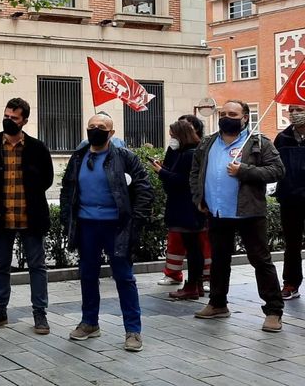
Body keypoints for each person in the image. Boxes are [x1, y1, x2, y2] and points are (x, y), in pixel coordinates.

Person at [60, 113, 153, 352]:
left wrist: (135, 223)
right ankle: (89, 322)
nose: (96, 129)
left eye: (101, 127)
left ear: (111, 133)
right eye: (92, 126)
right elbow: (68, 189)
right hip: (86, 226)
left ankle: (133, 330)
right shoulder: (78, 157)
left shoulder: (126, 157)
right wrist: (66, 220)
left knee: (124, 277)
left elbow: (144, 189)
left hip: (117, 227)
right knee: (87, 275)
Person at [190, 100, 285, 332]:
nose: (226, 117)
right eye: (223, 113)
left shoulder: (258, 142)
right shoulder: (208, 142)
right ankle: (217, 303)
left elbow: (277, 170)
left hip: (248, 212)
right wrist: (198, 196)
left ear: (244, 118)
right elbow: (195, 171)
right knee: (219, 260)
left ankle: (273, 311)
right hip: (217, 211)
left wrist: (244, 170)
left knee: (260, 260)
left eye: (232, 114)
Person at [0, 98, 54, 335]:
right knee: (0, 265)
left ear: (24, 121)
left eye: (14, 117)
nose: (8, 120)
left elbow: (47, 179)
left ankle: (40, 313)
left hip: (31, 216)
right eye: (6, 116)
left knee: (37, 266)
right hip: (1, 217)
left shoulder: (38, 148)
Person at [151, 120, 206, 299]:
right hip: (188, 207)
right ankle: (196, 284)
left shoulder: (189, 154)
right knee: (194, 247)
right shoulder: (189, 152)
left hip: (186, 208)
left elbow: (181, 180)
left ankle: (192, 286)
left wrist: (161, 172)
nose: (171, 140)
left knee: (193, 248)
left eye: (173, 136)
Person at [274, 104, 305, 300]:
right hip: (290, 198)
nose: (294, 114)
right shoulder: (282, 138)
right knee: (292, 244)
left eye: (299, 109)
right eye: (291, 110)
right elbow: (273, 166)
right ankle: (291, 283)